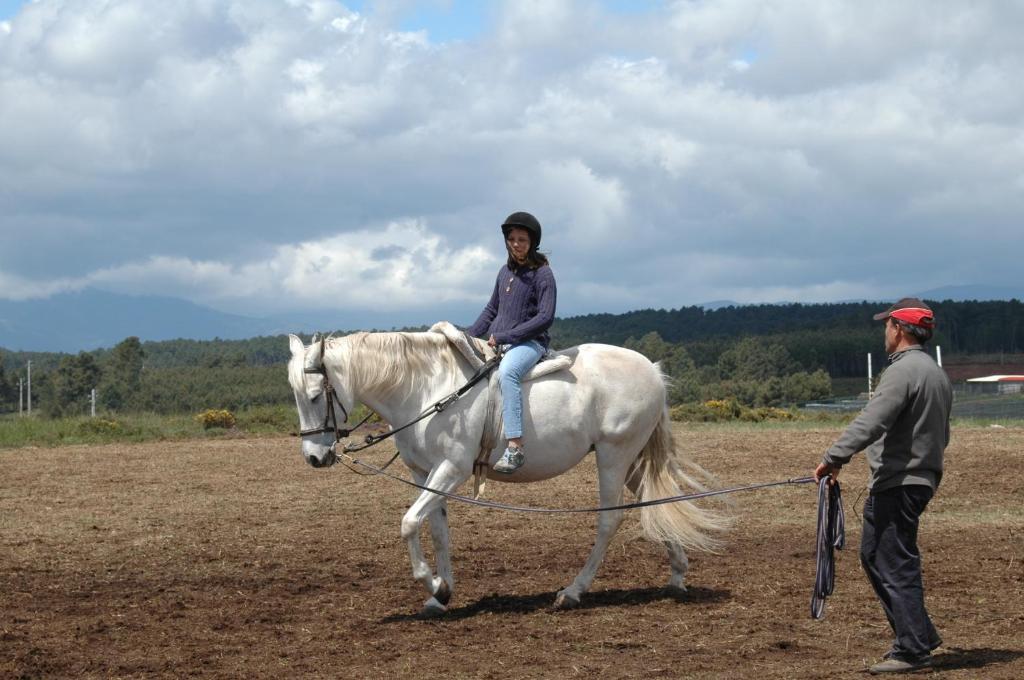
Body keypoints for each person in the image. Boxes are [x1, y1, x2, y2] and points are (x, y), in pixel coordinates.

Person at [814, 297, 952, 675]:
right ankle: (919, 636)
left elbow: (871, 420)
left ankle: (912, 649)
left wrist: (834, 456)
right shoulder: (935, 373)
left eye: (887, 325)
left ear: (900, 329)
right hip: (920, 478)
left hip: (899, 482)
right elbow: (943, 434)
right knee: (882, 555)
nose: (884, 331)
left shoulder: (902, 372)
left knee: (890, 560)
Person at [466, 211, 557, 473]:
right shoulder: (504, 271)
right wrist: (468, 336)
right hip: (500, 343)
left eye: (522, 240)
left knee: (508, 373)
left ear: (533, 243)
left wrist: (507, 336)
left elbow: (545, 317)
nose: (516, 244)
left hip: (530, 344)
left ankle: (515, 447)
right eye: (512, 239)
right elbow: (491, 310)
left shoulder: (543, 274)